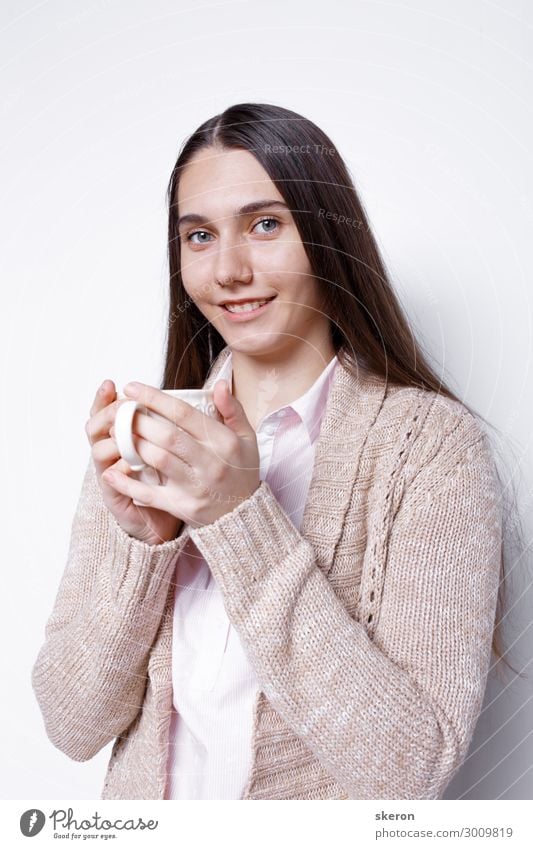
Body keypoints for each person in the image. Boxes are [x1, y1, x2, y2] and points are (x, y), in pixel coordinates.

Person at [32, 102, 511, 800]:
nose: (227, 269)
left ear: (325, 233)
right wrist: (144, 549)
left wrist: (238, 518)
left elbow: (412, 767)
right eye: (198, 235)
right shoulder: (147, 436)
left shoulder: (429, 448)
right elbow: (71, 724)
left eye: (265, 224)